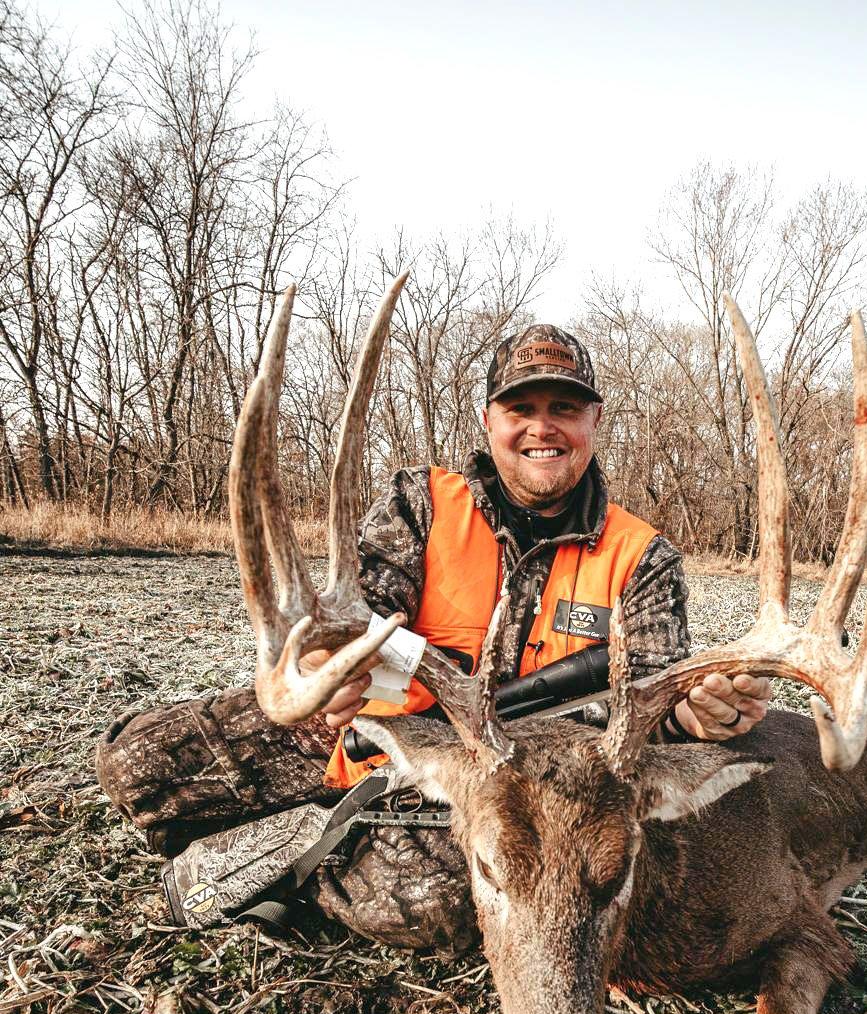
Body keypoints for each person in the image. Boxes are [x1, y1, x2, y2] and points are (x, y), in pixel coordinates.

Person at [96, 323, 771, 950]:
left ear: (593, 420)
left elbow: (649, 702)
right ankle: (319, 817)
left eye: (564, 409)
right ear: (489, 420)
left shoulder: (640, 556)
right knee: (134, 764)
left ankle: (297, 859)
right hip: (365, 735)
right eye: (521, 409)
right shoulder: (420, 502)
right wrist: (329, 665)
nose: (543, 428)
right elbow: (360, 608)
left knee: (433, 897)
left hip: (510, 791)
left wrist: (693, 712)